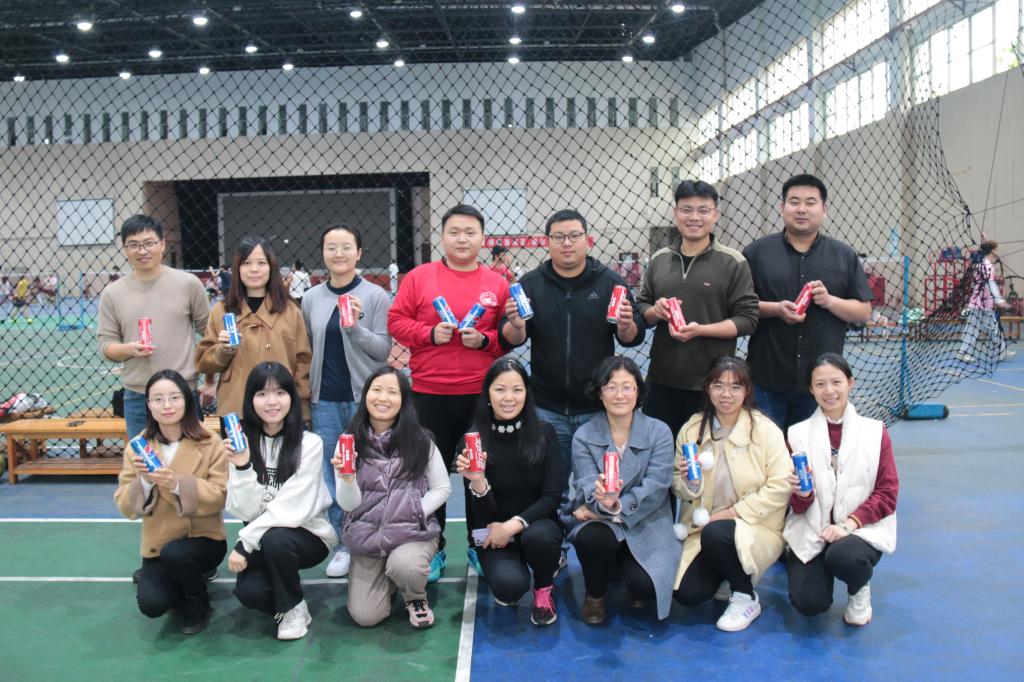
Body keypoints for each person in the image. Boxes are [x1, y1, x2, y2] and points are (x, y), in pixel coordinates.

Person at [387, 204, 511, 582]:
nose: (462, 239)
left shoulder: (497, 283)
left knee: (479, 471)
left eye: (470, 232)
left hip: (479, 397)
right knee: (429, 474)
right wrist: (427, 334)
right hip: (428, 394)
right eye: (454, 232)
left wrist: (485, 340)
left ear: (482, 239)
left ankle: (478, 544)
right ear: (442, 237)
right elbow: (396, 321)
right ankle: (434, 546)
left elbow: (508, 338)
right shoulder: (419, 277)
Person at [742, 174, 873, 431]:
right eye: (794, 202)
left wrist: (830, 301)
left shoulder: (844, 255)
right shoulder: (756, 253)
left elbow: (863, 312)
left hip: (822, 385)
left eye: (810, 202)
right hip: (766, 380)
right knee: (767, 451)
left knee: (815, 453)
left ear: (824, 210)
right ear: (782, 208)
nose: (801, 209)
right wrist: (774, 309)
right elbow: (738, 305)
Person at [671, 356, 791, 632]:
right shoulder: (692, 429)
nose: (726, 394)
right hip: (702, 530)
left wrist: (732, 513)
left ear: (747, 391)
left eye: (736, 386)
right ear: (708, 388)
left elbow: (781, 485)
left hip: (755, 527)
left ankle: (745, 595)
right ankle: (727, 570)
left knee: (719, 532)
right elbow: (676, 484)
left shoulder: (765, 430)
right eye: (718, 385)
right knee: (688, 594)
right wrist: (689, 483)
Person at [636, 180, 759, 441]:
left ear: (715, 214)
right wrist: (655, 311)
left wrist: (701, 330)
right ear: (675, 213)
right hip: (662, 379)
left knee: (707, 455)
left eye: (703, 210)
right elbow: (642, 307)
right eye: (687, 209)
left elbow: (748, 318)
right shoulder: (659, 259)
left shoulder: (733, 262)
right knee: (661, 452)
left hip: (713, 383)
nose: (694, 217)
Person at [303, 224, 392, 578]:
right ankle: (344, 543)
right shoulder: (311, 298)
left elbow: (382, 350)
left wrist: (355, 327)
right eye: (331, 247)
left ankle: (372, 537)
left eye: (346, 247)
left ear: (359, 253)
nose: (338, 253)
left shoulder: (375, 296)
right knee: (333, 473)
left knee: (370, 470)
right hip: (325, 400)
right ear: (323, 253)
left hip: (363, 400)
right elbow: (310, 346)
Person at [785, 353, 899, 626]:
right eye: (820, 384)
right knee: (809, 604)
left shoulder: (875, 431)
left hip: (859, 530)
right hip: (813, 529)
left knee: (844, 557)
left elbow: (887, 492)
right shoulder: (796, 434)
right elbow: (793, 505)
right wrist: (802, 495)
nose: (829, 391)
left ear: (850, 382)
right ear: (811, 389)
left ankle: (858, 588)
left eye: (836, 382)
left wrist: (849, 524)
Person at [333, 367, 451, 629]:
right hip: (367, 539)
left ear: (404, 400)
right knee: (365, 617)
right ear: (365, 396)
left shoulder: (421, 440)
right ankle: (387, 578)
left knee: (405, 565)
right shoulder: (349, 442)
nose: (383, 398)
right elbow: (348, 504)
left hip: (411, 534)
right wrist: (348, 480)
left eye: (392, 392)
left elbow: (442, 488)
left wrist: (415, 511)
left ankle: (414, 596)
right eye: (376, 390)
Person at [225, 362, 335, 640]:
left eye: (279, 393)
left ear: (291, 398)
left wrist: (245, 542)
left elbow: (293, 506)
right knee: (249, 593)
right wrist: (242, 466)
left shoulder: (309, 443)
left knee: (278, 539)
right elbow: (245, 510)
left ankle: (292, 608)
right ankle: (293, 604)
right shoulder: (241, 444)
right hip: (260, 536)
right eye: (262, 394)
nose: (271, 402)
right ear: (250, 400)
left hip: (306, 535)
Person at [114, 369, 228, 635]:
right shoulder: (138, 448)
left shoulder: (210, 442)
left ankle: (198, 598)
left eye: (174, 397)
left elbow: (219, 496)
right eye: (158, 399)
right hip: (159, 544)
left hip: (203, 540)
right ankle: (179, 586)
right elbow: (125, 506)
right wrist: (144, 482)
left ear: (187, 400)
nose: (167, 405)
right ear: (148, 405)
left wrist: (176, 483)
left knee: (176, 554)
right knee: (152, 604)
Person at [568, 357, 680, 624]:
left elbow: (656, 488)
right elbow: (586, 485)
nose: (619, 395)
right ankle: (595, 594)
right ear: (599, 393)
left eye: (627, 387)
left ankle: (629, 574)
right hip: (601, 520)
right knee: (592, 538)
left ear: (638, 391)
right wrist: (602, 503)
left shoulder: (659, 432)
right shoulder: (584, 435)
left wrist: (615, 508)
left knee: (646, 586)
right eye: (611, 387)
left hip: (648, 519)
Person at [455, 358, 563, 625]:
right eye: (500, 389)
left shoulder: (545, 433)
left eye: (517, 389)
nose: (509, 398)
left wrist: (512, 526)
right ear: (488, 394)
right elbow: (480, 514)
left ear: (526, 393)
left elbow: (552, 498)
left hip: (534, 526)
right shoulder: (472, 442)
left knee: (542, 538)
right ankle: (512, 566)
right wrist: (478, 481)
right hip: (490, 531)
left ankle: (544, 588)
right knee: (509, 589)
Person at [97, 215, 212, 440]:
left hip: (183, 392)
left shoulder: (188, 284)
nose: (142, 250)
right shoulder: (113, 293)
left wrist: (210, 381)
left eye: (149, 243)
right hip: (138, 397)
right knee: (145, 460)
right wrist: (129, 349)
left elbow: (210, 334)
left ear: (162, 244)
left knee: (191, 457)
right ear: (125, 249)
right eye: (133, 245)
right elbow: (106, 345)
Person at [196, 237, 312, 421]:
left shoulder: (291, 311)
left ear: (271, 267)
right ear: (237, 268)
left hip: (280, 411)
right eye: (246, 263)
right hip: (235, 410)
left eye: (261, 263)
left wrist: (301, 410)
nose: (254, 269)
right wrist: (222, 351)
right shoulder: (221, 310)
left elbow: (304, 363)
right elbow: (204, 363)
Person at [956, 240, 1013, 363]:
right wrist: (999, 300)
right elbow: (990, 284)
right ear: (991, 251)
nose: (997, 252)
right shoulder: (987, 266)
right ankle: (963, 353)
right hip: (978, 303)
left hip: (985, 303)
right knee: (973, 329)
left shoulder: (984, 264)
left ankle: (1002, 351)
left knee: (993, 328)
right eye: (995, 249)